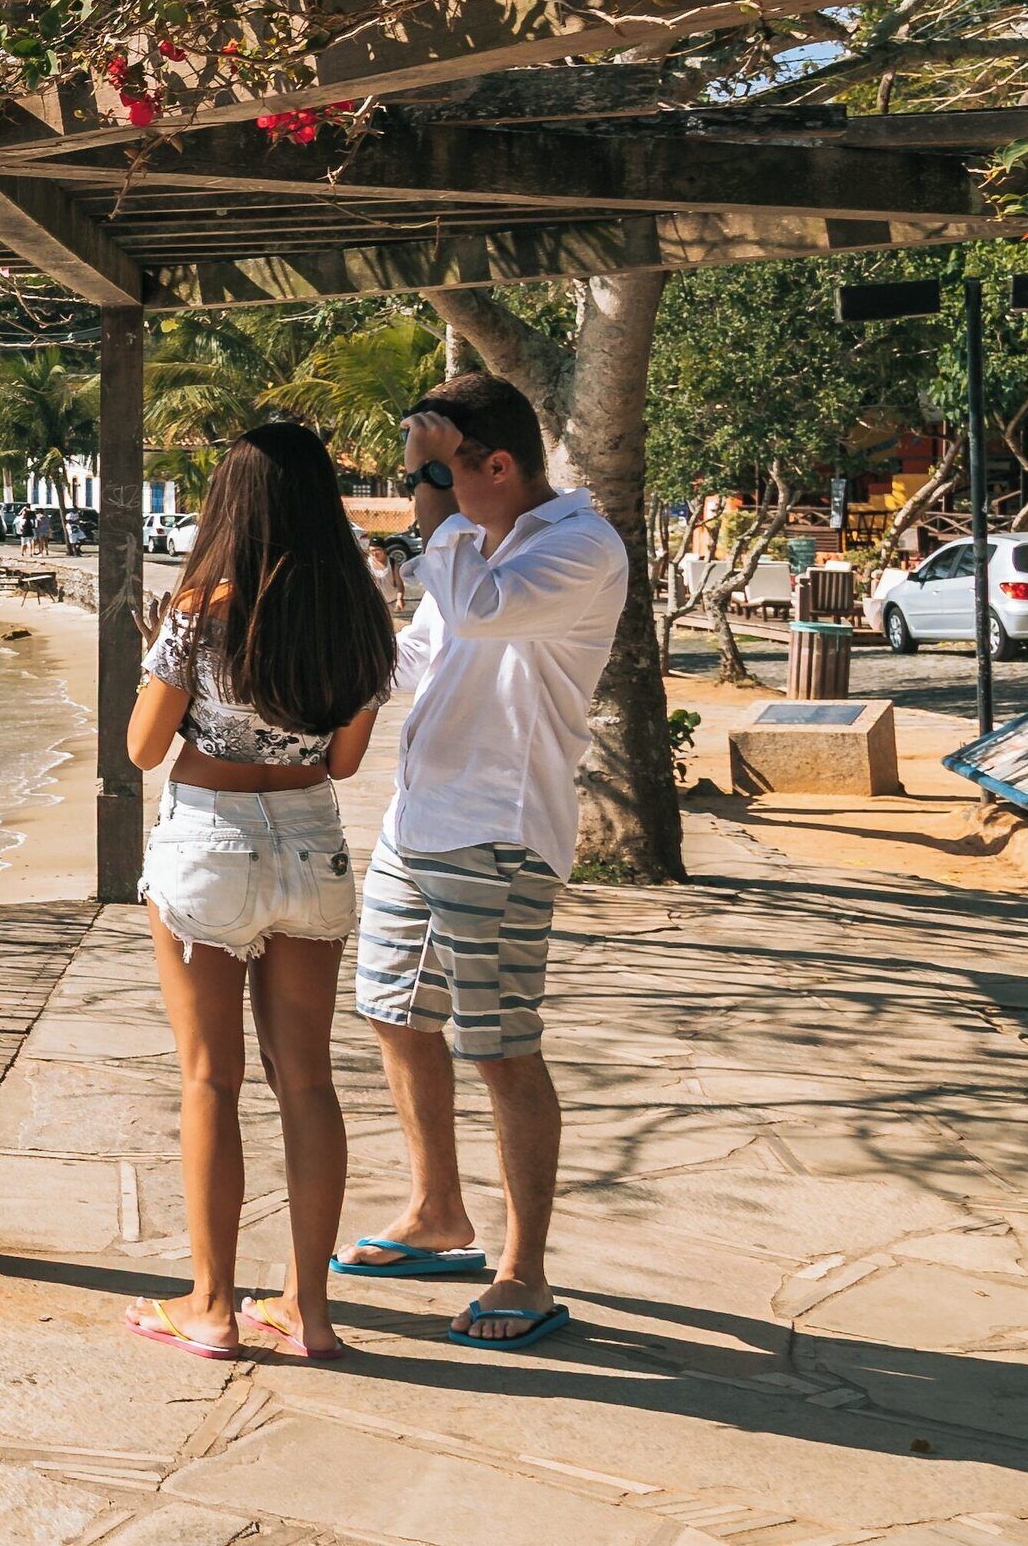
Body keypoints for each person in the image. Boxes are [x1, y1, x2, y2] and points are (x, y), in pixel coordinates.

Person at [333, 372, 628, 1351]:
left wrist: (433, 521)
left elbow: (484, 611)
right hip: (419, 823)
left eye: (445, 477)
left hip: (498, 833)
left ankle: (525, 1270)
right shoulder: (476, 544)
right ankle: (438, 1212)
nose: (434, 498)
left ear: (498, 466)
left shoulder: (580, 547)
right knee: (392, 1010)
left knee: (500, 1047)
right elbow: (427, 652)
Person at [121, 423, 394, 1362]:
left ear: (229, 504)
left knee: (210, 1079)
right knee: (308, 1080)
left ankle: (209, 1307)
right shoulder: (363, 616)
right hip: (312, 843)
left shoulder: (201, 608)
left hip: (209, 842)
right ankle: (310, 1314)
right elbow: (347, 761)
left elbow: (143, 748)